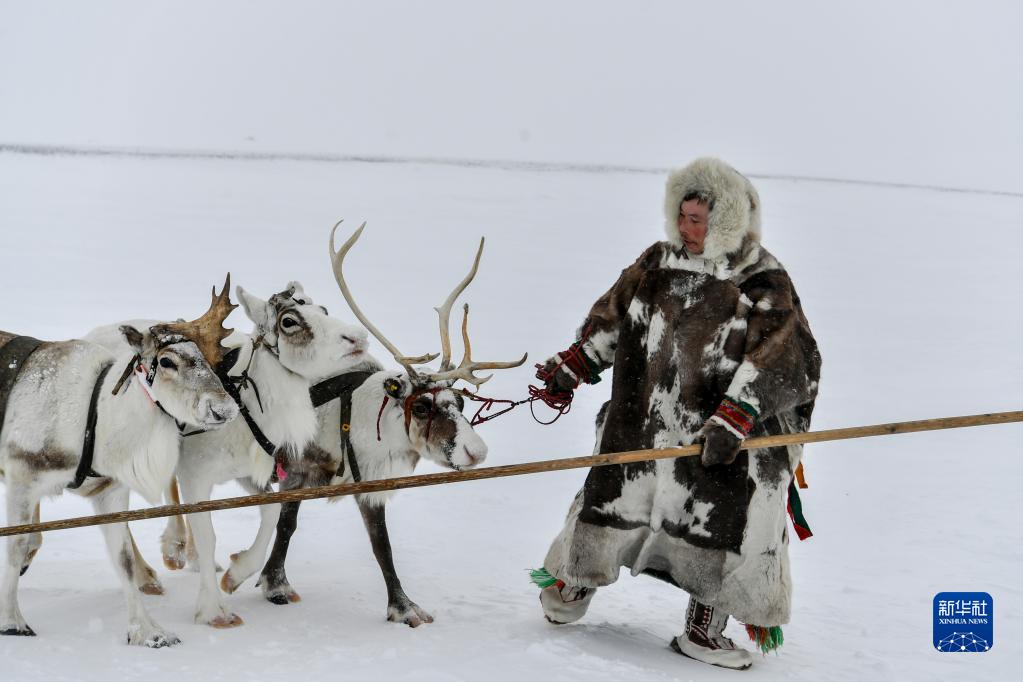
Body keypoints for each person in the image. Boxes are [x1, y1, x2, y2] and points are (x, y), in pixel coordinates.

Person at [531, 157, 821, 671]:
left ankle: (702, 630)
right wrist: (575, 363)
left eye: (698, 220)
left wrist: (736, 417)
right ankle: (570, 588)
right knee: (609, 497)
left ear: (728, 220)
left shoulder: (762, 280)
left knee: (723, 523)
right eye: (682, 216)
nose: (686, 229)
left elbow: (780, 356)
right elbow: (614, 316)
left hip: (716, 438)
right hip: (643, 421)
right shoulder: (658, 261)